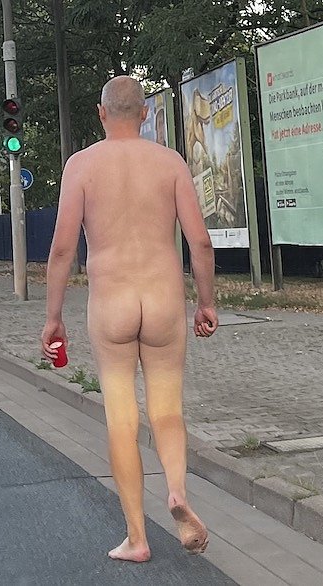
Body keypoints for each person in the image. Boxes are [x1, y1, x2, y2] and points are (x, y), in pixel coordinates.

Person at [42, 75, 218, 563]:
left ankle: (137, 538)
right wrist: (206, 302)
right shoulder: (170, 163)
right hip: (163, 301)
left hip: (111, 303)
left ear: (101, 114)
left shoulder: (81, 166)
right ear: (145, 114)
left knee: (121, 419)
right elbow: (200, 242)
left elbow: (62, 250)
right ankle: (177, 491)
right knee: (168, 411)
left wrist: (53, 317)